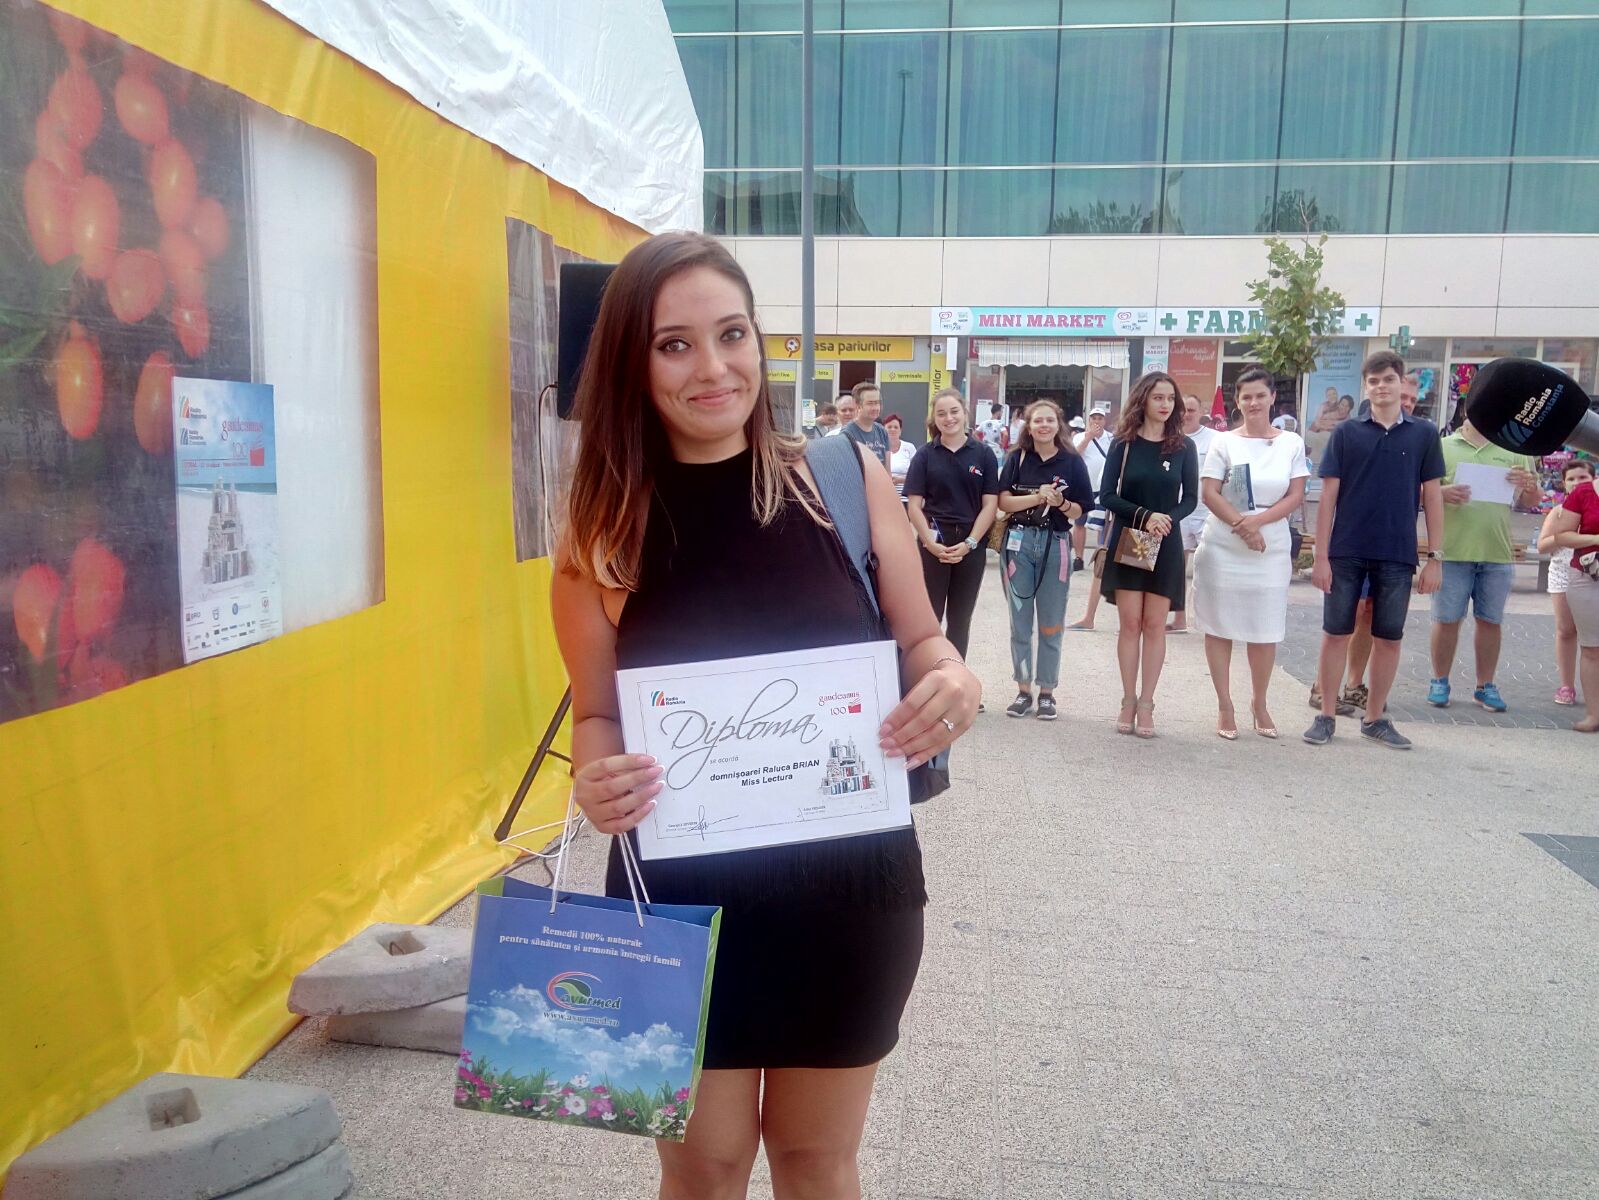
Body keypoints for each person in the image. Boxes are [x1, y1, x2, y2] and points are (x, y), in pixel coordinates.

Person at [552, 233, 979, 1200]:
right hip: (680, 901)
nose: (713, 368)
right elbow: (595, 715)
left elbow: (922, 639)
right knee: (701, 1169)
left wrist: (954, 681)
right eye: (673, 344)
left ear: (758, 341)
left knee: (817, 1161)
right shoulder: (600, 536)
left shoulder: (844, 480)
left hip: (848, 890)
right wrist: (594, 776)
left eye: (732, 333)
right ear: (631, 363)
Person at [1303, 351, 1445, 750]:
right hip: (1346, 551)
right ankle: (1326, 715)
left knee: (1389, 638)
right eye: (1374, 381)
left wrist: (1435, 558)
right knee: (1336, 633)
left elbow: (1433, 497)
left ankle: (1375, 718)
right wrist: (1321, 557)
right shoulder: (1346, 433)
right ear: (1365, 387)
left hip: (1397, 553)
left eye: (1388, 379)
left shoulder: (1423, 434)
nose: (1381, 386)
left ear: (1402, 383)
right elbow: (1327, 499)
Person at [1190, 367, 1309, 739]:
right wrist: (1242, 525)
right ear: (1237, 402)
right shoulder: (1224, 442)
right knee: (1218, 625)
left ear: (1272, 397)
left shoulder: (1291, 442)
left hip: (1269, 545)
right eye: (1246, 397)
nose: (1254, 402)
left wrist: (1257, 524)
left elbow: (1296, 494)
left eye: (1260, 395)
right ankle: (1224, 704)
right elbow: (1209, 492)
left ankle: (1260, 701)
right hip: (1224, 543)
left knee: (1264, 628)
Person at [1097, 372, 1198, 738]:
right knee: (1130, 623)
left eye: (1170, 398)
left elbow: (1191, 498)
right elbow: (1107, 495)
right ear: (1143, 400)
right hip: (1134, 537)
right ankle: (1127, 699)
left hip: (1165, 540)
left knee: (1155, 624)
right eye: (1158, 397)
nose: (1165, 404)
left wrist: (1165, 519)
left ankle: (1147, 703)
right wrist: (1145, 516)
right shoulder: (1123, 443)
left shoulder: (1183, 447)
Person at [1426, 416, 1542, 711]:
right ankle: (1439, 680)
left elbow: (1531, 501)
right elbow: (1419, 490)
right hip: (1451, 550)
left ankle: (1485, 685)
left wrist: (1529, 486)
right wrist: (1441, 493)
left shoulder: (1514, 448)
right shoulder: (1442, 446)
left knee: (1491, 621)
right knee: (1446, 620)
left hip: (1496, 551)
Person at [996, 400, 1094, 721]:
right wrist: (1038, 497)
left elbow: (1080, 509)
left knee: (1051, 623)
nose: (1043, 426)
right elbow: (1004, 501)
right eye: (1037, 420)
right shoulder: (1017, 458)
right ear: (1028, 425)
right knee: (1019, 621)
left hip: (1057, 544)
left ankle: (1047, 692)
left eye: (1049, 420)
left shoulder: (1072, 461)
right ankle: (1023, 690)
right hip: (1018, 543)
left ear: (1058, 424)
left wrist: (1061, 502)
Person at [905, 388, 1000, 660]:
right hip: (933, 543)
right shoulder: (925, 455)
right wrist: (930, 543)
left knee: (960, 620)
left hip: (970, 544)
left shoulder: (983, 454)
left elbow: (990, 505)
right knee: (929, 619)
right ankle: (929, 673)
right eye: (942, 414)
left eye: (954, 411)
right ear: (934, 419)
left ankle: (956, 675)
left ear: (965, 413)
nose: (949, 418)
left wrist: (970, 543)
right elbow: (914, 506)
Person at [1540, 459, 1596, 707]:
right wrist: (1564, 536)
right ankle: (1566, 686)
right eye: (1570, 479)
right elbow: (1542, 546)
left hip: (1591, 573)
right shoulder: (1559, 512)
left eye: (1582, 478)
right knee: (1566, 630)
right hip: (1563, 572)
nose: (1576, 483)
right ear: (1563, 484)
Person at [1170, 394, 1218, 634]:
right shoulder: (1168, 438)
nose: (1186, 414)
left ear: (1201, 412)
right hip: (1177, 512)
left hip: (1208, 512)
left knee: (1210, 568)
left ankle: (1212, 622)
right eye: (1183, 410)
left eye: (1191, 410)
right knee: (1177, 567)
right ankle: (1179, 619)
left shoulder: (1216, 439)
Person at [1068, 405, 1114, 629]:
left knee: (1108, 533)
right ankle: (1080, 557)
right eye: (1093, 417)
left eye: (1100, 418)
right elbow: (1074, 457)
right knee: (1082, 524)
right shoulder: (1080, 437)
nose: (1097, 421)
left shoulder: (1113, 439)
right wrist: (1087, 437)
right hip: (1088, 489)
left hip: (1111, 495)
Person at [839, 381, 890, 467]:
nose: (875, 408)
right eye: (870, 403)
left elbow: (887, 469)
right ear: (857, 404)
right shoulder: (847, 433)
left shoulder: (882, 431)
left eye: (877, 403)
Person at [884, 411, 915, 499]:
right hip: (885, 497)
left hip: (906, 498)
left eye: (896, 427)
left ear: (900, 431)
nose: (893, 429)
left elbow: (917, 475)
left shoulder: (910, 448)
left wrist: (901, 480)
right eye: (889, 427)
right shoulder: (879, 448)